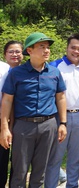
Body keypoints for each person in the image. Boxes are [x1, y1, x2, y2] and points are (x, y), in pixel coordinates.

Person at [0, 32, 67, 187]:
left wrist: (63, 123)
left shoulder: (54, 72)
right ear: (29, 51)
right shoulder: (16, 73)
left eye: (48, 47)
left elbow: (61, 97)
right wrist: (5, 128)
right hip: (23, 127)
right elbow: (7, 100)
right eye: (42, 47)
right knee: (19, 172)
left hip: (48, 125)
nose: (47, 50)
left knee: (39, 172)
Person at [45, 34, 79, 188]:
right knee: (55, 158)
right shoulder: (54, 66)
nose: (76, 51)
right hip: (59, 118)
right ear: (67, 48)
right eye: (73, 48)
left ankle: (72, 185)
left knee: (75, 157)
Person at [0, 43, 15, 188]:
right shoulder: (5, 69)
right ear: (5, 54)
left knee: (14, 160)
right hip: (5, 120)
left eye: (17, 51)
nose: (14, 54)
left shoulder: (7, 69)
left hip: (17, 121)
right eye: (11, 52)